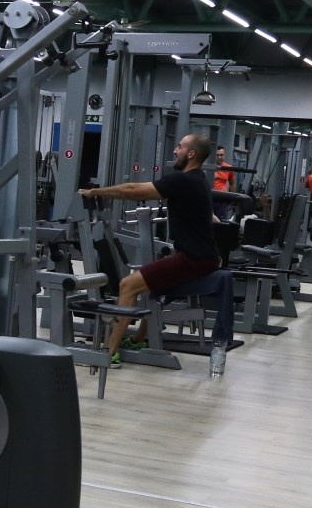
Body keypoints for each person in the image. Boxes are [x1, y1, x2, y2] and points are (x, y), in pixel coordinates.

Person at [79, 133, 221, 367]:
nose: (175, 151)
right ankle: (138, 339)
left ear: (191, 154)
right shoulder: (200, 180)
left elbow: (134, 190)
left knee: (128, 285)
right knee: (151, 286)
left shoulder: (183, 180)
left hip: (193, 258)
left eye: (179, 147)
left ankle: (108, 353)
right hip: (202, 257)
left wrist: (95, 192)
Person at [212, 147, 236, 219]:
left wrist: (232, 200)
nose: (219, 157)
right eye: (217, 155)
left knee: (221, 222)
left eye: (221, 155)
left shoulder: (228, 168)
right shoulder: (208, 166)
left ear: (224, 155)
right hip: (209, 198)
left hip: (221, 199)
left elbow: (232, 184)